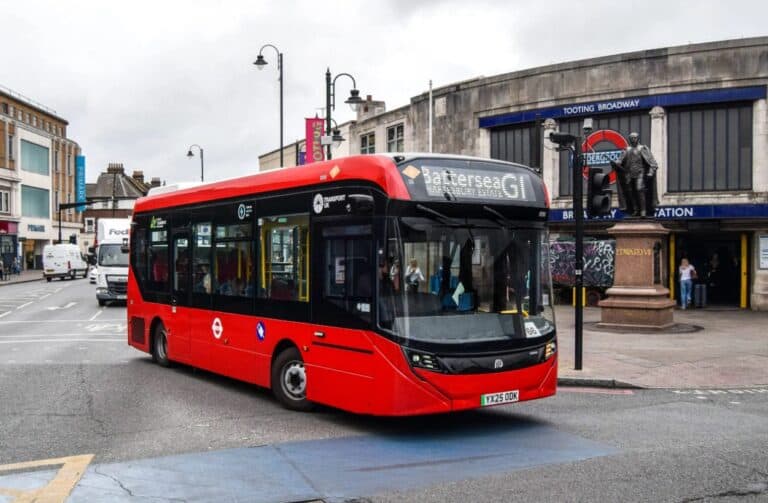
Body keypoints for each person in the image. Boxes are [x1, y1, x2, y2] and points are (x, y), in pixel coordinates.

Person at [610, 132, 659, 218]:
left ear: (638, 138)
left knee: (639, 189)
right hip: (629, 174)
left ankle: (643, 210)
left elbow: (652, 162)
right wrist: (615, 163)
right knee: (630, 192)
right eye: (631, 138)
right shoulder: (626, 150)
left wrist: (651, 172)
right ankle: (635, 209)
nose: (633, 139)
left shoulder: (642, 148)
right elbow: (620, 160)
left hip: (640, 172)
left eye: (635, 137)